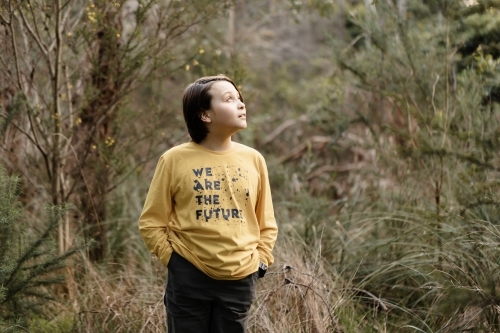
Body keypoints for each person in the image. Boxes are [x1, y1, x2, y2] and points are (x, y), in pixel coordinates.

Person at [138, 74, 278, 332]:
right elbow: (151, 222)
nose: (240, 104)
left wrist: (260, 262)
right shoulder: (173, 160)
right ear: (205, 115)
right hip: (189, 275)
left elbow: (266, 222)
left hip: (240, 277)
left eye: (239, 98)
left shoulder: (253, 159)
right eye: (229, 99)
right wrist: (174, 261)